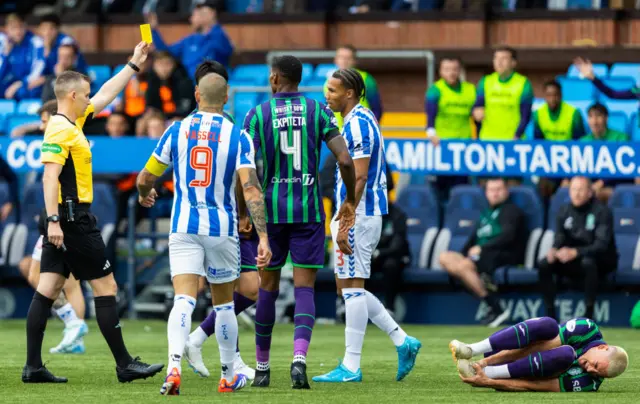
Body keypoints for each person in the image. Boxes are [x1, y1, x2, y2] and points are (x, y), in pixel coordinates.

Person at [22, 42, 163, 384]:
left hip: (66, 217)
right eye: (84, 94)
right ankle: (124, 364)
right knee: (106, 286)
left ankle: (33, 367)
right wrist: (55, 220)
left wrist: (133, 64)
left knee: (48, 287)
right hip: (71, 220)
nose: (90, 98)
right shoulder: (59, 128)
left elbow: (106, 94)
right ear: (70, 95)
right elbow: (49, 176)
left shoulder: (73, 122)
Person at [136, 72, 270, 395]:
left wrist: (144, 193)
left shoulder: (176, 130)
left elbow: (145, 176)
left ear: (196, 95)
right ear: (226, 99)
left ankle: (173, 367)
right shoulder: (238, 137)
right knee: (223, 305)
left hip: (183, 225)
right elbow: (251, 189)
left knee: (183, 300)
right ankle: (227, 374)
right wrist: (263, 236)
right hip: (221, 229)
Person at [243, 55, 357, 389]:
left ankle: (262, 368)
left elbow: (245, 171)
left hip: (272, 213)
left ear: (275, 78)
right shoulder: (318, 111)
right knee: (305, 287)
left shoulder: (257, 114)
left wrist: (242, 213)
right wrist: (349, 199)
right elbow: (346, 160)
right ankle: (299, 361)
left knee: (268, 288)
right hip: (308, 211)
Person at [313, 67, 421, 384]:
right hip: (356, 212)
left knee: (352, 289)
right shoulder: (356, 119)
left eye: (332, 90)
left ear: (350, 93)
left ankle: (351, 366)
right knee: (347, 287)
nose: (326, 95)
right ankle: (403, 341)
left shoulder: (358, 124)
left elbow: (359, 176)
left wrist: (346, 218)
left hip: (359, 213)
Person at [181, 60, 260, 381]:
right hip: (205, 219)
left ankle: (197, 340)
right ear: (200, 92)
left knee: (249, 288)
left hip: (232, 216)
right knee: (215, 290)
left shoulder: (230, 126)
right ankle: (232, 364)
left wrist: (245, 212)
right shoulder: (189, 126)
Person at [16, 100, 89, 355]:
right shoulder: (55, 136)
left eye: (45, 120)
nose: (42, 125)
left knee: (68, 282)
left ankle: (75, 327)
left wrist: (54, 219)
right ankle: (74, 327)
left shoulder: (63, 133)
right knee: (39, 274)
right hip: (54, 218)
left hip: (62, 217)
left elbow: (54, 178)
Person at [451, 317, 628, 392]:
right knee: (549, 325)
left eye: (596, 373)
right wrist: (485, 362)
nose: (589, 369)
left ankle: (484, 371)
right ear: (603, 348)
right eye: (595, 365)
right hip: (506, 348)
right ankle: (473, 349)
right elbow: (535, 348)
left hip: (518, 374)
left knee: (565, 354)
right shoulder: (586, 329)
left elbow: (537, 386)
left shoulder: (589, 383)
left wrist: (489, 381)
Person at [439, 178, 526, 327]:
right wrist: (464, 254)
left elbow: (508, 236)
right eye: (491, 190)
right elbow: (473, 240)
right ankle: (478, 285)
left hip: (500, 255)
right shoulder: (486, 214)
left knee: (464, 265)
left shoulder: (511, 211)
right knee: (444, 257)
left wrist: (482, 249)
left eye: (499, 189)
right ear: (486, 193)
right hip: (478, 256)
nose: (495, 194)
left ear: (506, 191)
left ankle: (495, 307)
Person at [538, 176, 617, 321]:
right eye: (573, 189)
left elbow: (601, 245)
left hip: (600, 260)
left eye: (581, 190)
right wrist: (555, 249)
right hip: (570, 258)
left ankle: (589, 315)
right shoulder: (564, 210)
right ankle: (550, 315)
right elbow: (560, 237)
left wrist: (576, 252)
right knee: (544, 263)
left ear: (590, 192)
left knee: (588, 263)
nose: (577, 193)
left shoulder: (602, 211)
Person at [425, 56, 475, 201]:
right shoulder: (435, 90)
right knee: (439, 191)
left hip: (464, 149)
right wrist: (431, 134)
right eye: (447, 69)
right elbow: (430, 119)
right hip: (441, 148)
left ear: (460, 71)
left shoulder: (470, 89)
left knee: (462, 189)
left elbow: (478, 115)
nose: (451, 73)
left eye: (454, 69)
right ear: (441, 71)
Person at [147, 0, 233, 79]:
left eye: (194, 15)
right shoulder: (189, 40)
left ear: (206, 16)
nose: (190, 19)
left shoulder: (218, 36)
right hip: (189, 85)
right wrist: (153, 30)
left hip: (211, 84)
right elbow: (166, 50)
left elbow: (226, 49)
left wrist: (212, 20)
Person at [473, 47, 533, 141]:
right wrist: (476, 111)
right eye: (496, 58)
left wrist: (517, 135)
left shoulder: (523, 83)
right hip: (488, 139)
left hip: (513, 140)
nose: (499, 62)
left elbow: (526, 115)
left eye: (504, 58)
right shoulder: (485, 81)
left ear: (513, 63)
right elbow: (478, 106)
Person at [578, 103, 630, 203]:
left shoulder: (621, 138)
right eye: (591, 117)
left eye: (598, 116)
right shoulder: (583, 141)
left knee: (599, 194)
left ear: (606, 118)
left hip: (615, 183)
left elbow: (622, 168)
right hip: (591, 183)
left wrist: (602, 182)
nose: (594, 121)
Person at [325, 45, 383, 128]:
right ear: (335, 60)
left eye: (348, 58)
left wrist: (370, 127)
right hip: (337, 132)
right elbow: (327, 107)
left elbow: (377, 108)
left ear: (354, 61)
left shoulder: (366, 79)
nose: (344, 61)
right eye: (341, 57)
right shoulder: (328, 81)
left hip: (360, 129)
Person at [0, 13, 45, 100]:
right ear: (7, 29)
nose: (18, 32)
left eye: (20, 27)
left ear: (25, 27)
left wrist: (20, 84)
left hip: (27, 83)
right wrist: (5, 55)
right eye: (13, 28)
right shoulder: (3, 43)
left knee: (27, 91)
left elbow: (38, 69)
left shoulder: (35, 42)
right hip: (9, 83)